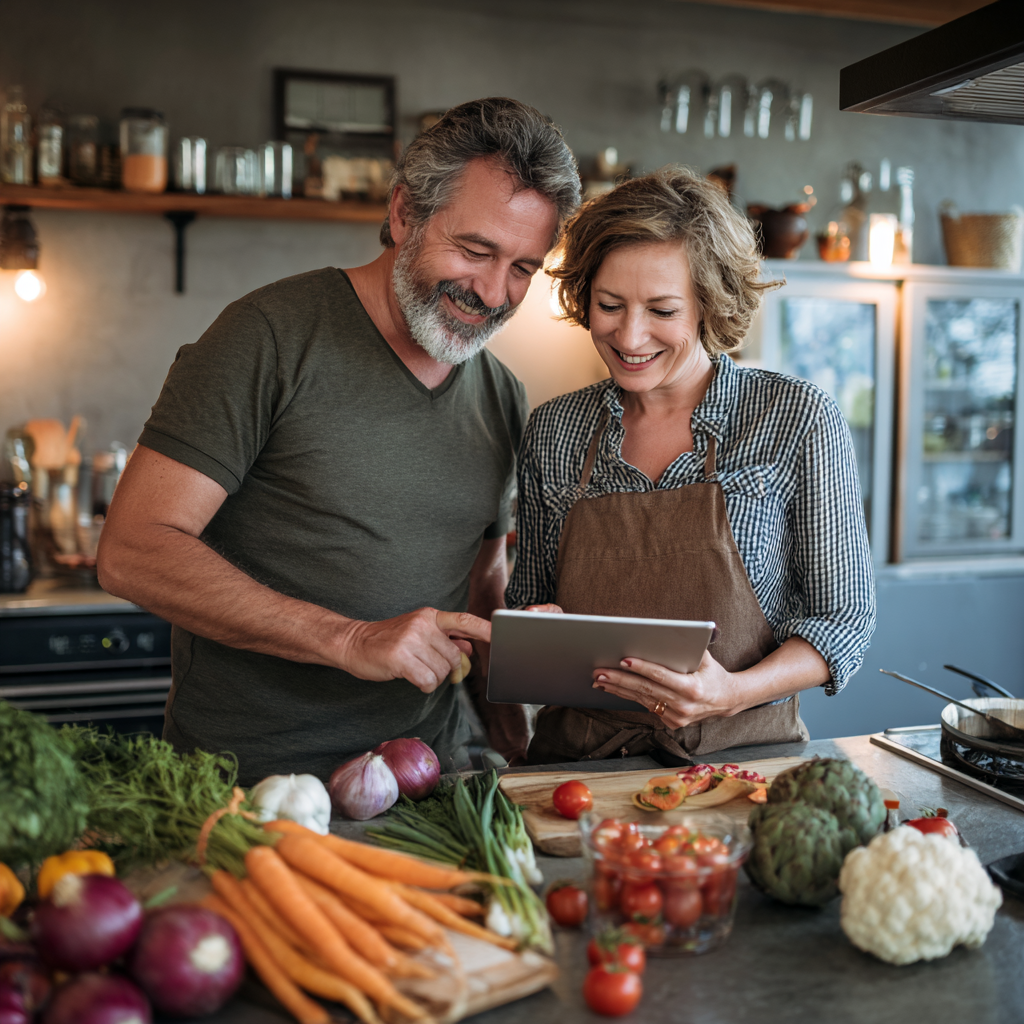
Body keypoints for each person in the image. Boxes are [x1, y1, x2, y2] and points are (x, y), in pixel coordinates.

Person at [97, 98, 580, 784]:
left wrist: (516, 713)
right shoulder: (268, 336)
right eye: (476, 251)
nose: (495, 292)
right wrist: (350, 639)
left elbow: (479, 581)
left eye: (525, 268)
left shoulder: (502, 393)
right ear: (403, 213)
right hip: (249, 790)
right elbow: (130, 550)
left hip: (424, 786)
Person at [507, 167, 876, 764]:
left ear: (709, 304)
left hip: (742, 766)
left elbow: (844, 619)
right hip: (578, 771)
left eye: (662, 310)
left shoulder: (794, 418)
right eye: (609, 305)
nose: (630, 335)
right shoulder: (553, 430)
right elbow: (530, 604)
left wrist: (731, 693)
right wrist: (536, 627)